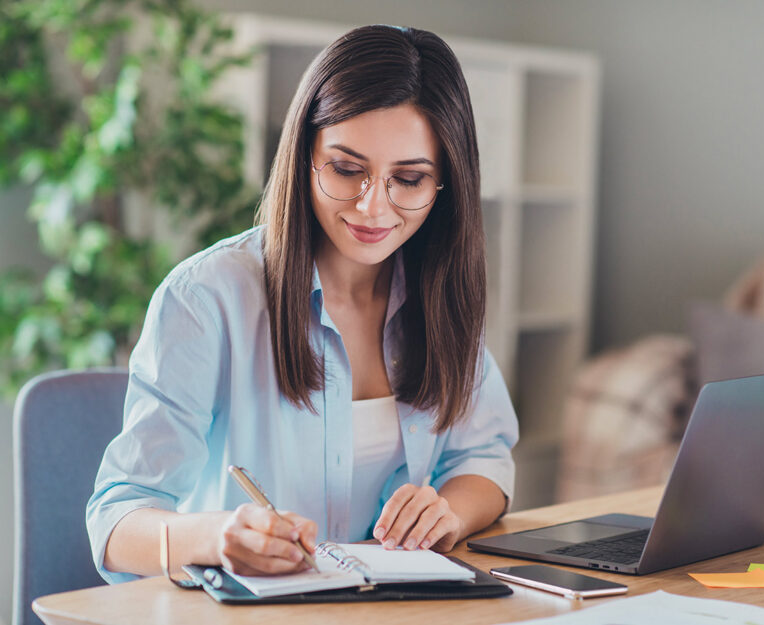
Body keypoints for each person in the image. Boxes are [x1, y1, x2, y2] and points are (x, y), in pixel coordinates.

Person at [87, 24, 518, 584]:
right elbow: (115, 522)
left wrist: (449, 510)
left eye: (408, 179)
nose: (374, 208)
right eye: (346, 169)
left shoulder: (439, 292)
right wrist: (220, 539)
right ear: (303, 157)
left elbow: (485, 458)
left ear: (445, 185)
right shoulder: (206, 298)